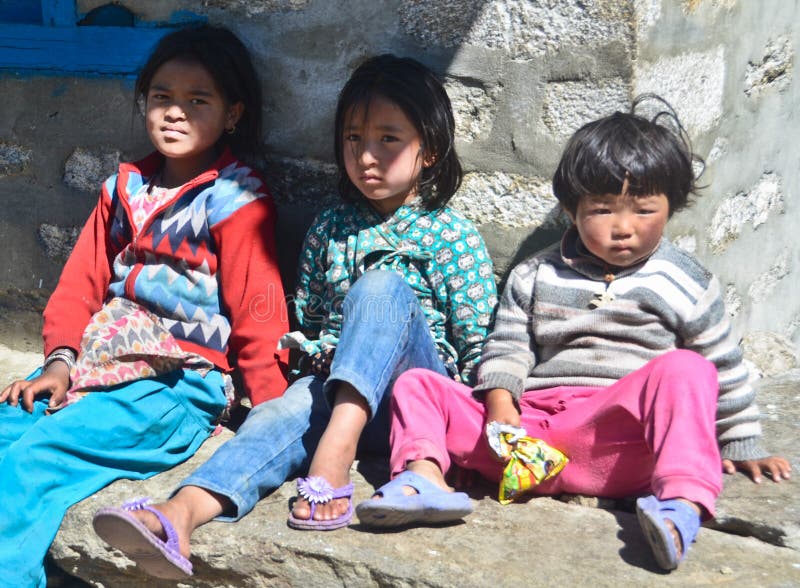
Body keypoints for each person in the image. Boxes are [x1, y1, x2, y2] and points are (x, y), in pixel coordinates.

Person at [91, 53, 497, 579]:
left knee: (381, 287)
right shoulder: (331, 226)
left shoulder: (451, 237)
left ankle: (334, 454)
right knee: (275, 416)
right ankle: (178, 515)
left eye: (388, 139)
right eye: (353, 139)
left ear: (431, 151)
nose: (367, 157)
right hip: (336, 386)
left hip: (415, 405)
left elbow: (477, 345)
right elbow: (309, 318)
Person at [355, 95, 792, 572]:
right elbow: (507, 348)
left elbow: (723, 367)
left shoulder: (686, 282)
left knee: (687, 368)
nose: (623, 228)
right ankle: (424, 481)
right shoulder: (535, 275)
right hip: (530, 439)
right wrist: (503, 411)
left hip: (619, 443)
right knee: (419, 384)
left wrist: (743, 443)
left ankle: (679, 506)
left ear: (671, 207)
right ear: (570, 209)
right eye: (602, 210)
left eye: (644, 211)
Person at [0, 24, 288, 587]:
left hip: (175, 390)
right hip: (96, 365)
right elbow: (79, 287)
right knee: (10, 426)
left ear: (232, 114)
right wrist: (59, 362)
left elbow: (259, 313)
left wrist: (267, 416)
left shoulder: (236, 200)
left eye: (197, 100)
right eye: (162, 98)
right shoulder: (122, 190)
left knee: (34, 465)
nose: (175, 113)